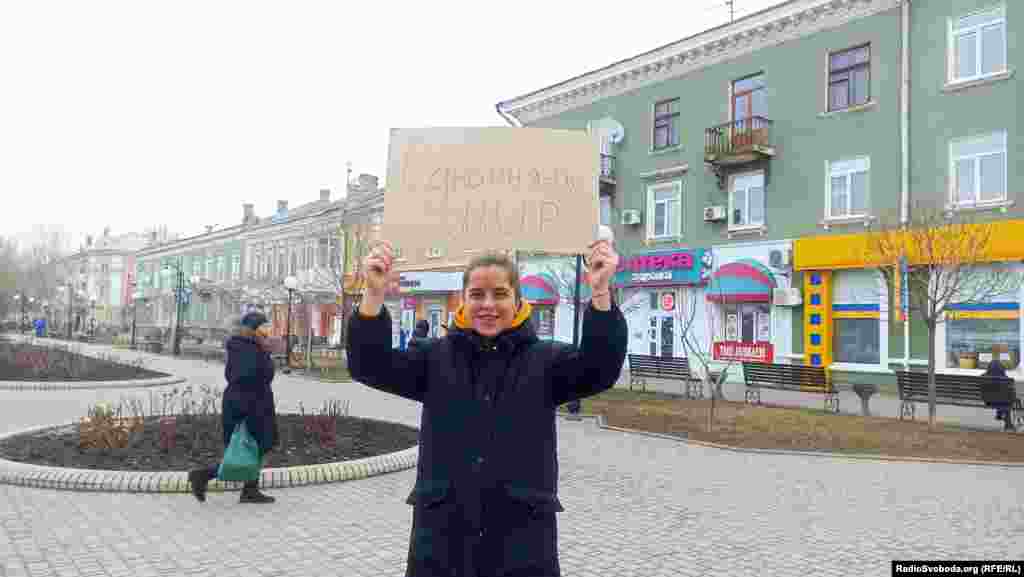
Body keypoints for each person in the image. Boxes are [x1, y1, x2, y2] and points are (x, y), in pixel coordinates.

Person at [347, 239, 627, 577]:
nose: (488, 305)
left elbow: (601, 367)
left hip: (520, 547)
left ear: (517, 299)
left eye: (500, 294)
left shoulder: (544, 362)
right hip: (442, 546)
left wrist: (600, 292)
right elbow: (369, 365)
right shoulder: (434, 359)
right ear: (463, 300)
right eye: (477, 294)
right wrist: (374, 294)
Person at [189, 311, 279, 504]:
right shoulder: (243, 348)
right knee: (247, 449)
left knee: (259, 447)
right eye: (263, 327)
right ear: (252, 329)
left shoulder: (255, 346)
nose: (267, 330)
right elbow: (243, 378)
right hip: (247, 406)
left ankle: (249, 489)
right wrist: (244, 413)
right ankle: (203, 476)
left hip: (257, 403)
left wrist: (265, 352)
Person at [982, 359, 1016, 432]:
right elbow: (1011, 394)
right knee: (1006, 399)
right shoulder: (1006, 379)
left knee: (1001, 395)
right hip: (1003, 402)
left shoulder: (983, 377)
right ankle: (1008, 424)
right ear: (1002, 368)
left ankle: (999, 414)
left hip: (988, 401)